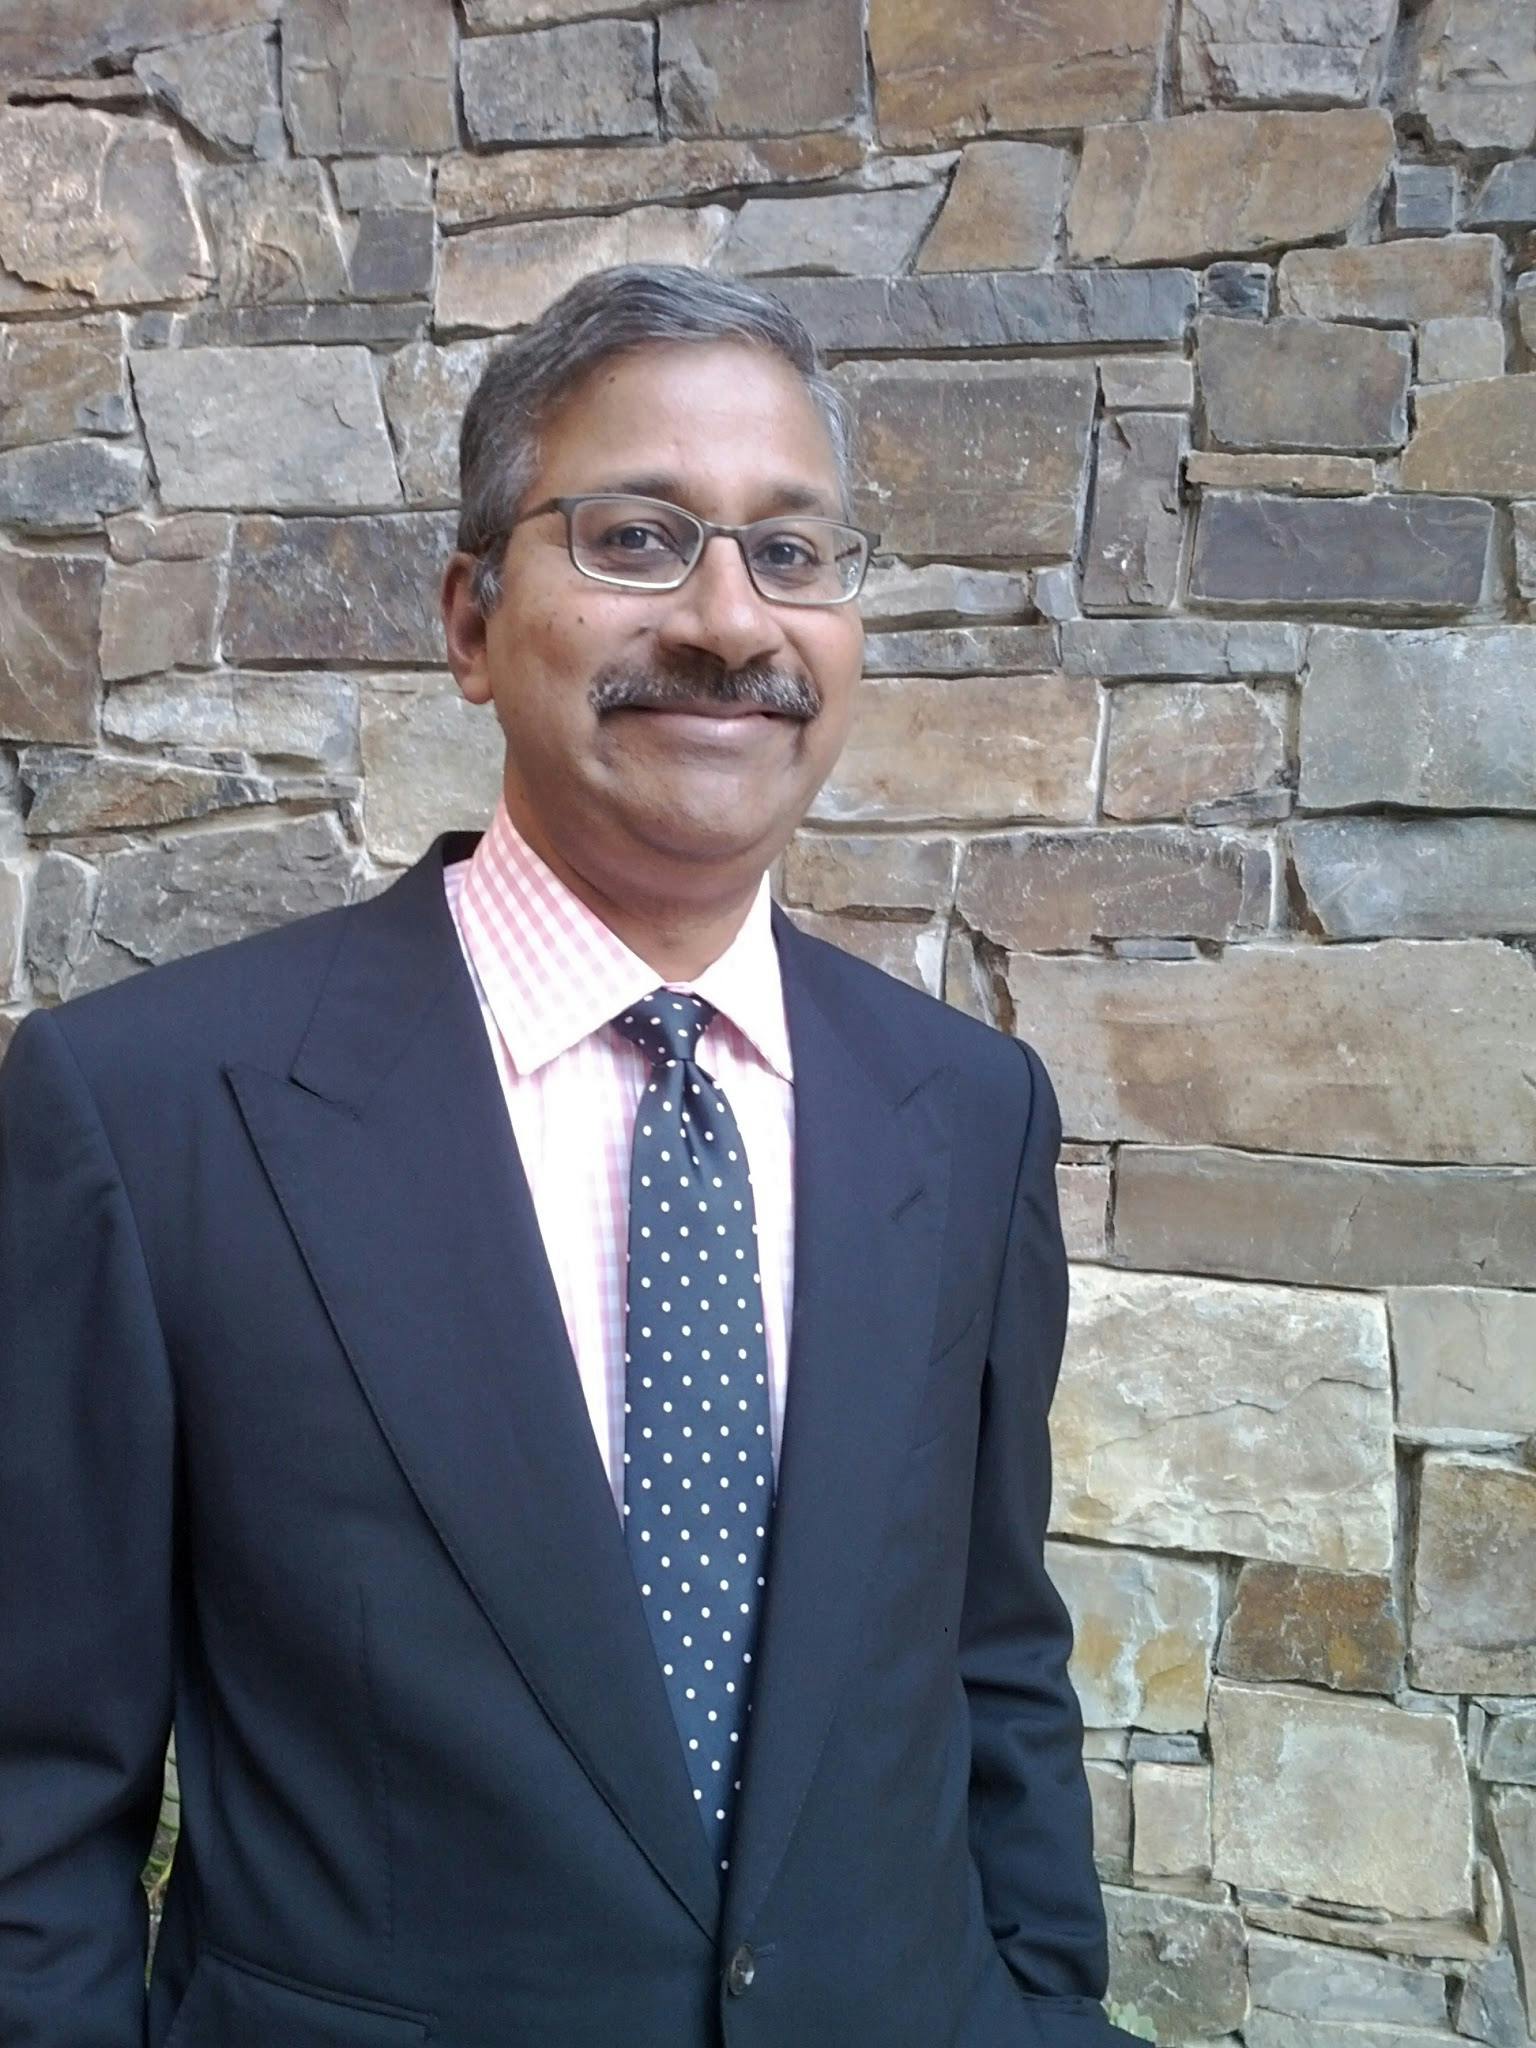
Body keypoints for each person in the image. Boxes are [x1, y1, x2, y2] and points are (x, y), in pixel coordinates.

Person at [0, 265, 1139, 2048]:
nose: (726, 619)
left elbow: (990, 1665)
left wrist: (1046, 2008)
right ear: (468, 620)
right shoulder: (145, 1113)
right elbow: (31, 1801)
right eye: (634, 538)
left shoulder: (965, 1107)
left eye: (792, 551)